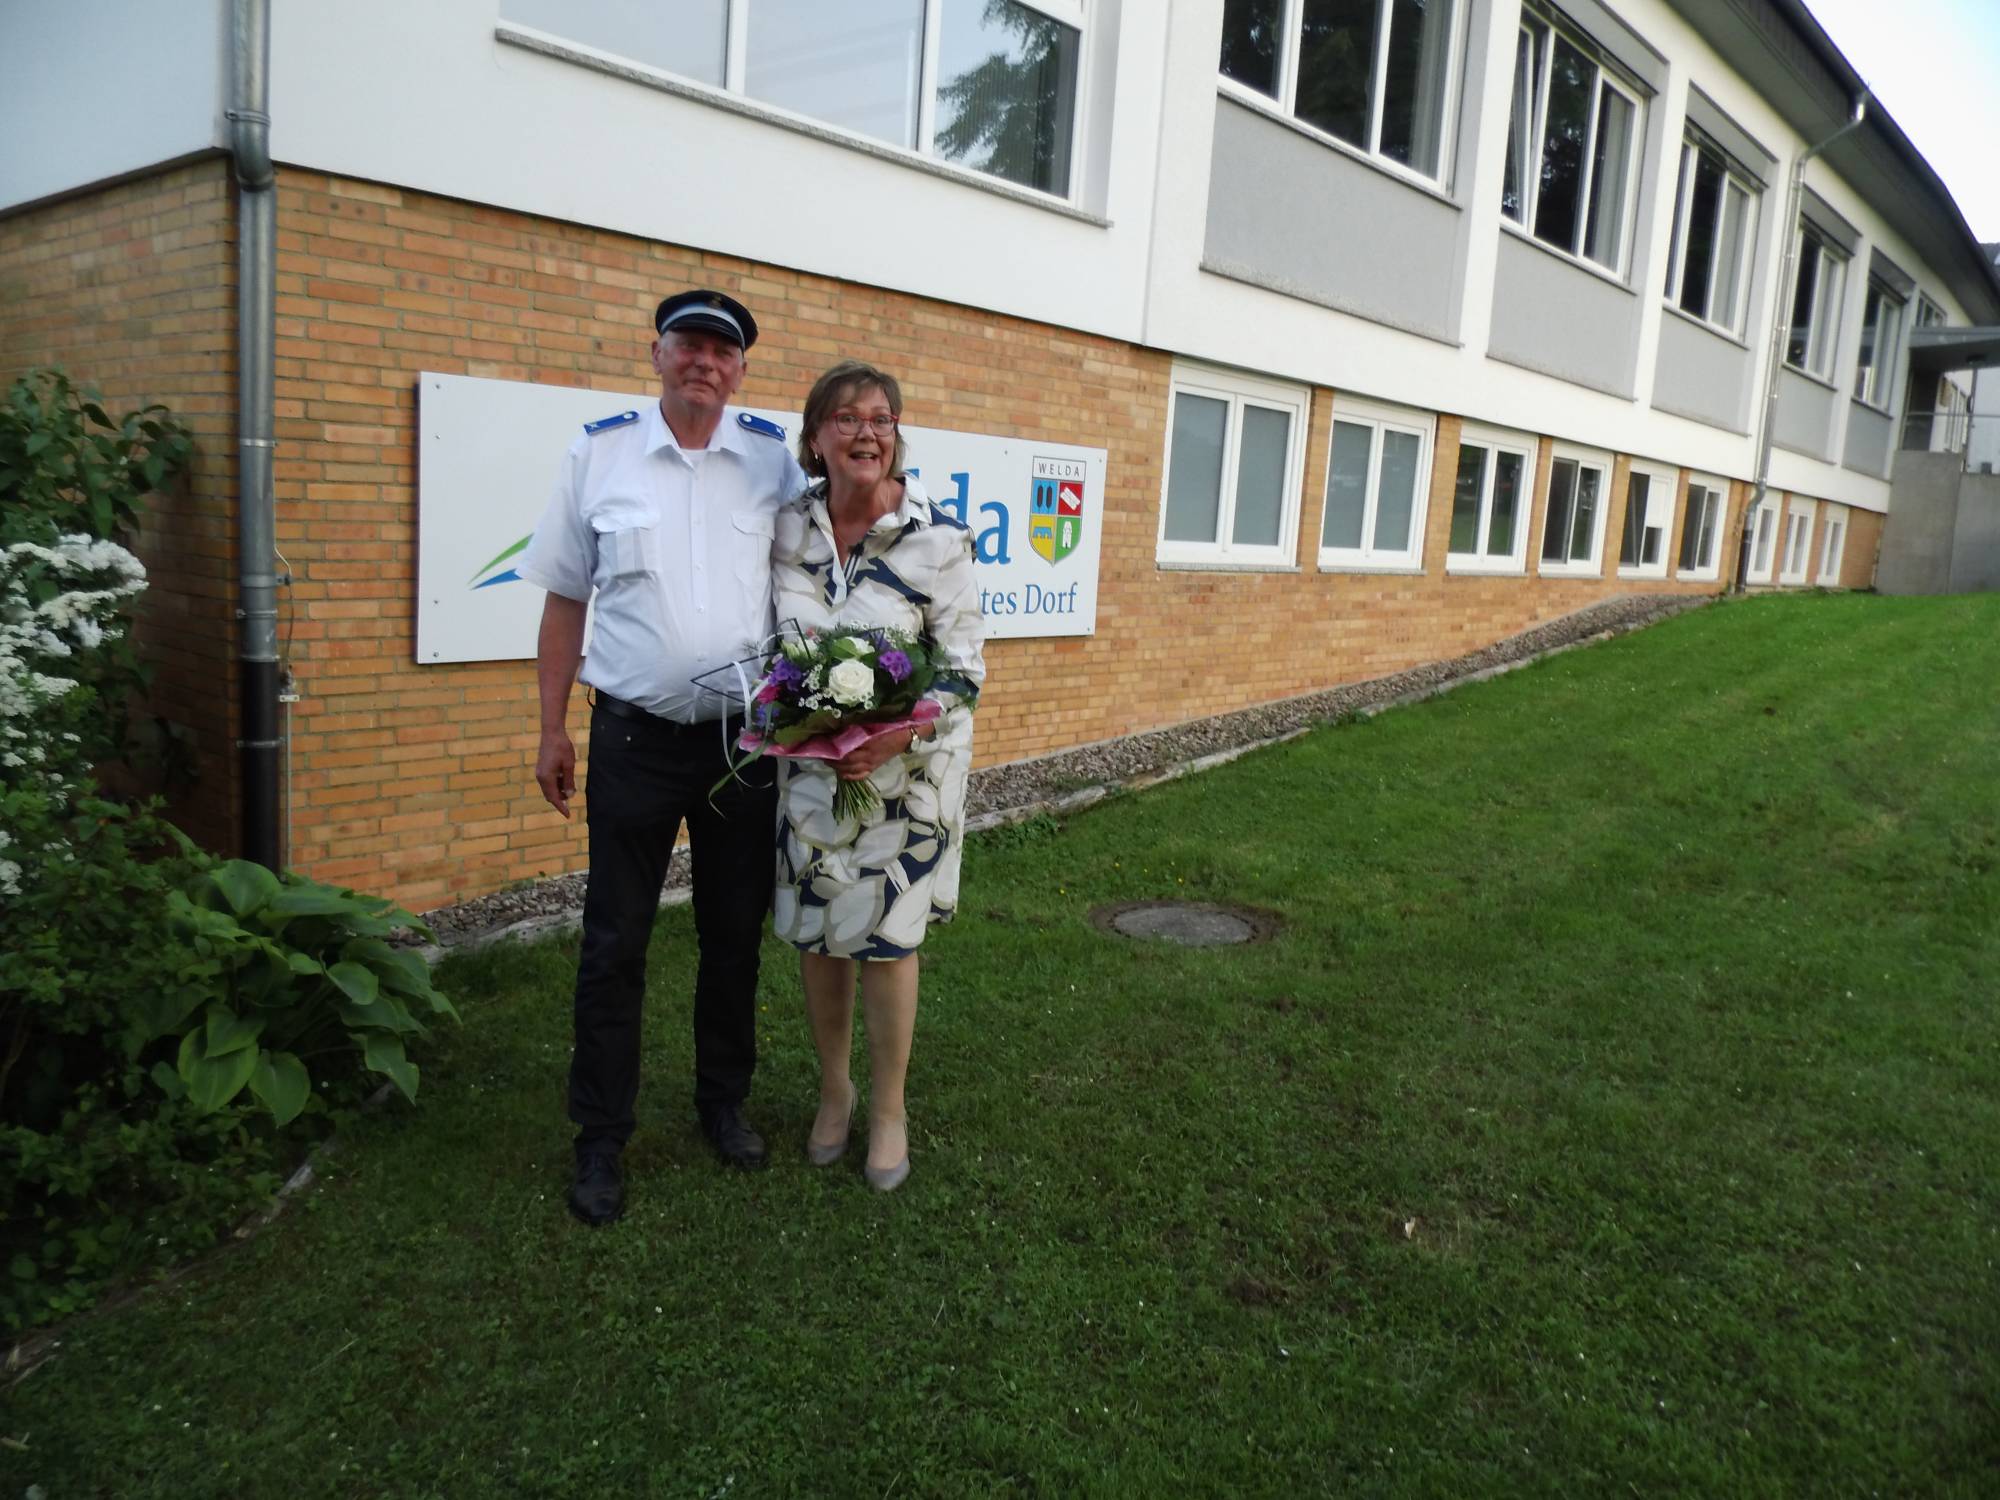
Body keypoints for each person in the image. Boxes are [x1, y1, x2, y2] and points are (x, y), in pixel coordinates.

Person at [519, 288, 807, 1226]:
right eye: (689, 344)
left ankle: (722, 1104)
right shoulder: (599, 455)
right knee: (615, 943)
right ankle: (601, 1137)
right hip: (634, 739)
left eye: (723, 352)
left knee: (732, 936)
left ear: (741, 371)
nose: (704, 362)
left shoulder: (770, 462)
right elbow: (565, 599)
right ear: (657, 354)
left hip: (739, 745)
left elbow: (819, 563)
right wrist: (551, 728)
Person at [770, 361, 986, 1192]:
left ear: (896, 435)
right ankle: (836, 1092)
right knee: (820, 937)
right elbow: (773, 649)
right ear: (814, 438)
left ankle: (889, 1109)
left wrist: (895, 732)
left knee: (889, 943)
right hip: (812, 777)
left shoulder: (939, 539)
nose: (867, 432)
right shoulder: (786, 530)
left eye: (881, 419)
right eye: (847, 418)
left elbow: (962, 669)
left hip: (906, 778)